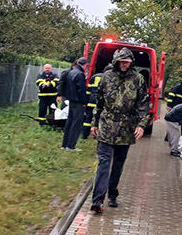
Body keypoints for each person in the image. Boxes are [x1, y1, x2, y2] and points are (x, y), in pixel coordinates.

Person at [89, 47, 148, 213]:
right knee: (104, 162)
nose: (124, 64)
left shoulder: (138, 79)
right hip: (106, 125)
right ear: (116, 61)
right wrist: (94, 123)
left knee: (118, 164)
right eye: (122, 62)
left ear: (131, 63)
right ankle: (97, 200)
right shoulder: (106, 77)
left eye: (127, 62)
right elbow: (99, 103)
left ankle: (112, 193)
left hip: (126, 128)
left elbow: (143, 104)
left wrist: (141, 125)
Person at [61, 57, 89, 150]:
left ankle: (64, 144)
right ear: (85, 65)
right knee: (76, 124)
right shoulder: (80, 74)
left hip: (71, 101)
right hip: (78, 102)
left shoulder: (71, 72)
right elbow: (81, 90)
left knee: (69, 122)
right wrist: (84, 101)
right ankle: (71, 145)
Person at [82, 65, 113, 139]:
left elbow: (88, 90)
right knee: (99, 118)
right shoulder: (110, 78)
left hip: (91, 100)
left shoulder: (94, 77)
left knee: (88, 118)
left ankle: (84, 135)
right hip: (101, 102)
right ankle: (96, 135)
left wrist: (86, 101)